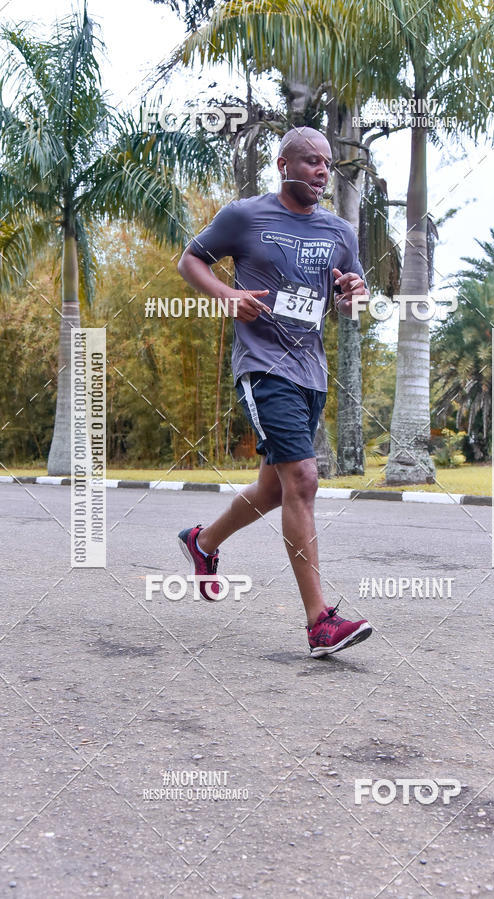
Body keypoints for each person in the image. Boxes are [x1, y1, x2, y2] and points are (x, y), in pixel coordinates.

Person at [176, 125, 372, 658]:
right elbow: (190, 259)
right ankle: (319, 622)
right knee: (303, 480)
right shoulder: (245, 216)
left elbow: (352, 300)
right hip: (264, 369)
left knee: (271, 491)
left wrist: (356, 290)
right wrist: (225, 294)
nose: (320, 171)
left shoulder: (339, 231)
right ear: (283, 164)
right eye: (309, 161)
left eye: (326, 164)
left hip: (311, 372)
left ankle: (203, 541)